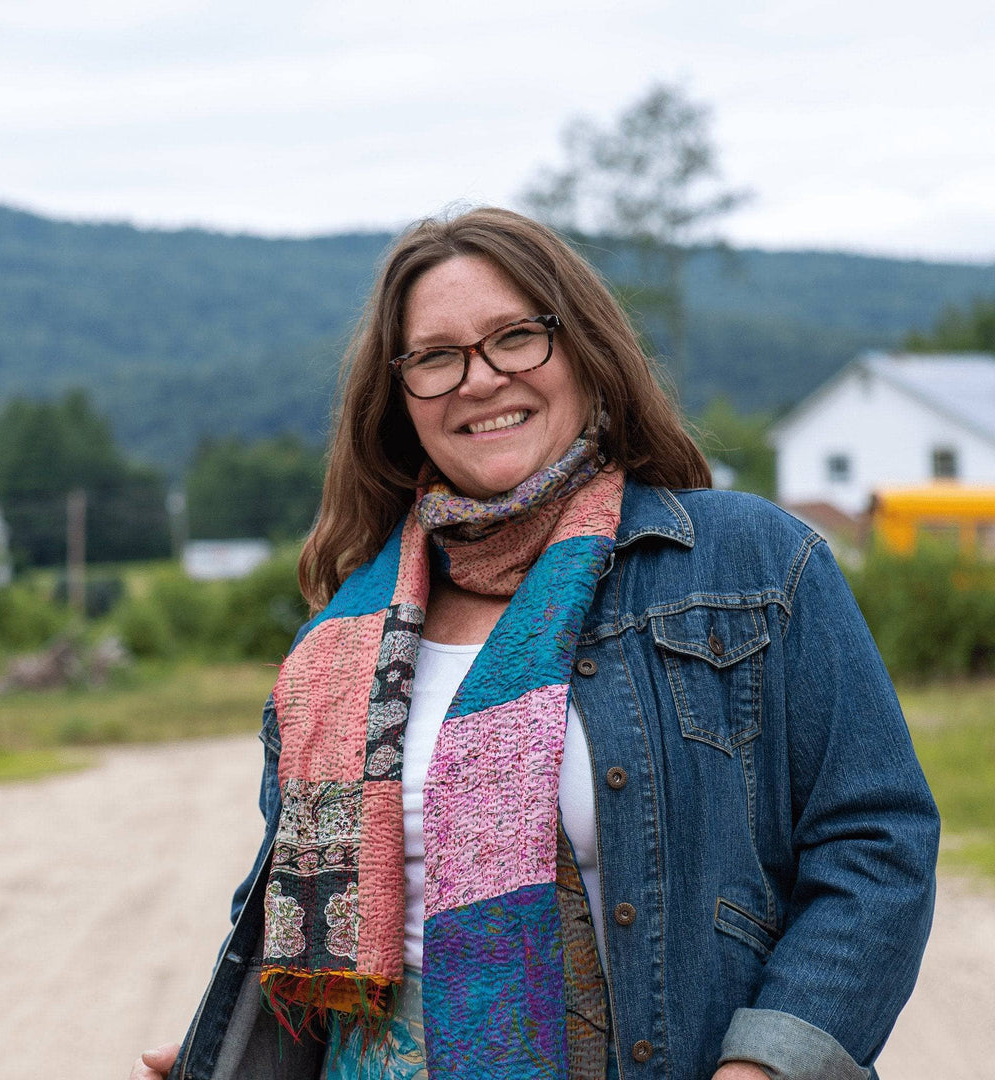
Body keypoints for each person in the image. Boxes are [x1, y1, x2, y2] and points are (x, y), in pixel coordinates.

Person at [131, 207, 939, 1080]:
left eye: (516, 337)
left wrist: (770, 1065)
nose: (479, 380)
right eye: (436, 357)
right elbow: (305, 942)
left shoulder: (748, 564)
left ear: (584, 352)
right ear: (400, 396)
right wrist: (232, 1055)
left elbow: (875, 841)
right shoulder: (339, 646)